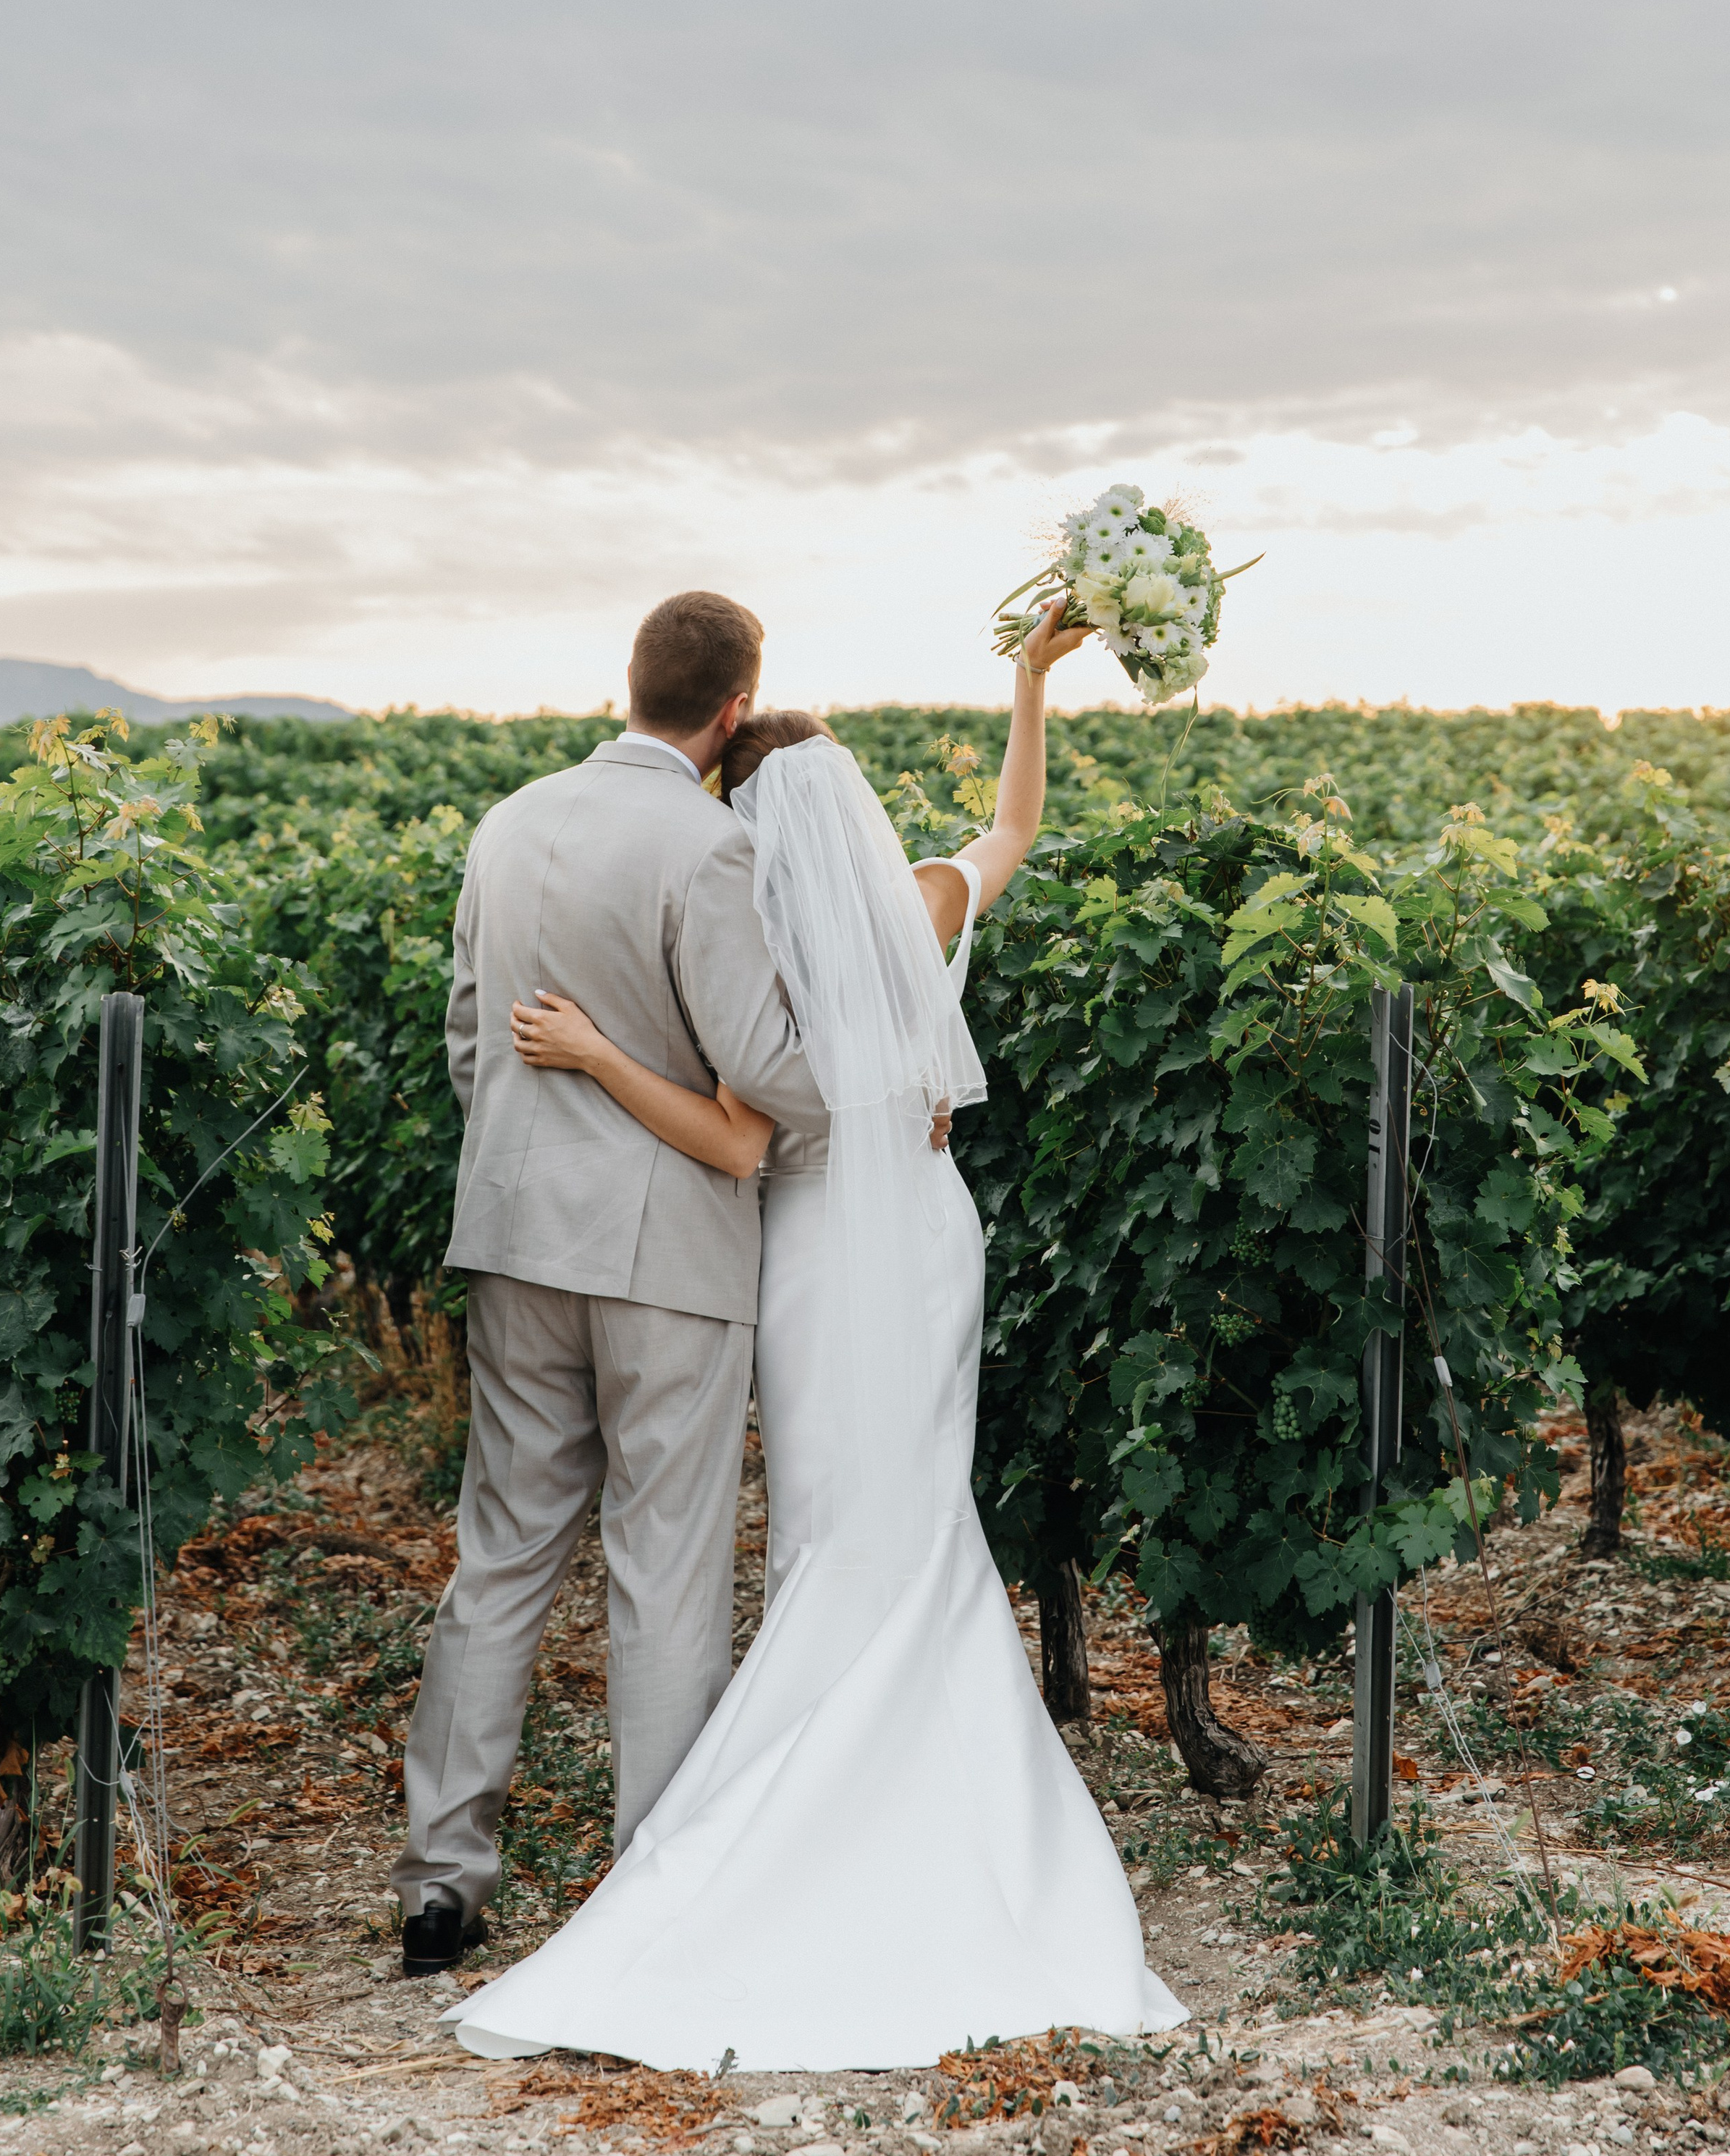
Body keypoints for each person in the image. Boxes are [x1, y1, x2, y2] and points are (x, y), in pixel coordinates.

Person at [444, 602, 1186, 2071]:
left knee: (814, 1524)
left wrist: (588, 1057)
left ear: (746, 809)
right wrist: (1029, 688)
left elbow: (741, 1113)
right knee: (912, 1511)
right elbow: (1012, 825)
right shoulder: (916, 907)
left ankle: (712, 1804)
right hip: (921, 1242)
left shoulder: (760, 937)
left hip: (791, 1254)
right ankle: (889, 1772)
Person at [389, 591, 831, 1976]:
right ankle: (656, 1877)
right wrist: (871, 1088)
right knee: (666, 1564)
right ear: (734, 711)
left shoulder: (507, 823)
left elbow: (473, 1042)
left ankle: (440, 1882)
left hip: (517, 1231)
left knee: (503, 1551)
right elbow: (765, 1076)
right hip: (669, 1257)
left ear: (627, 683)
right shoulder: (709, 846)